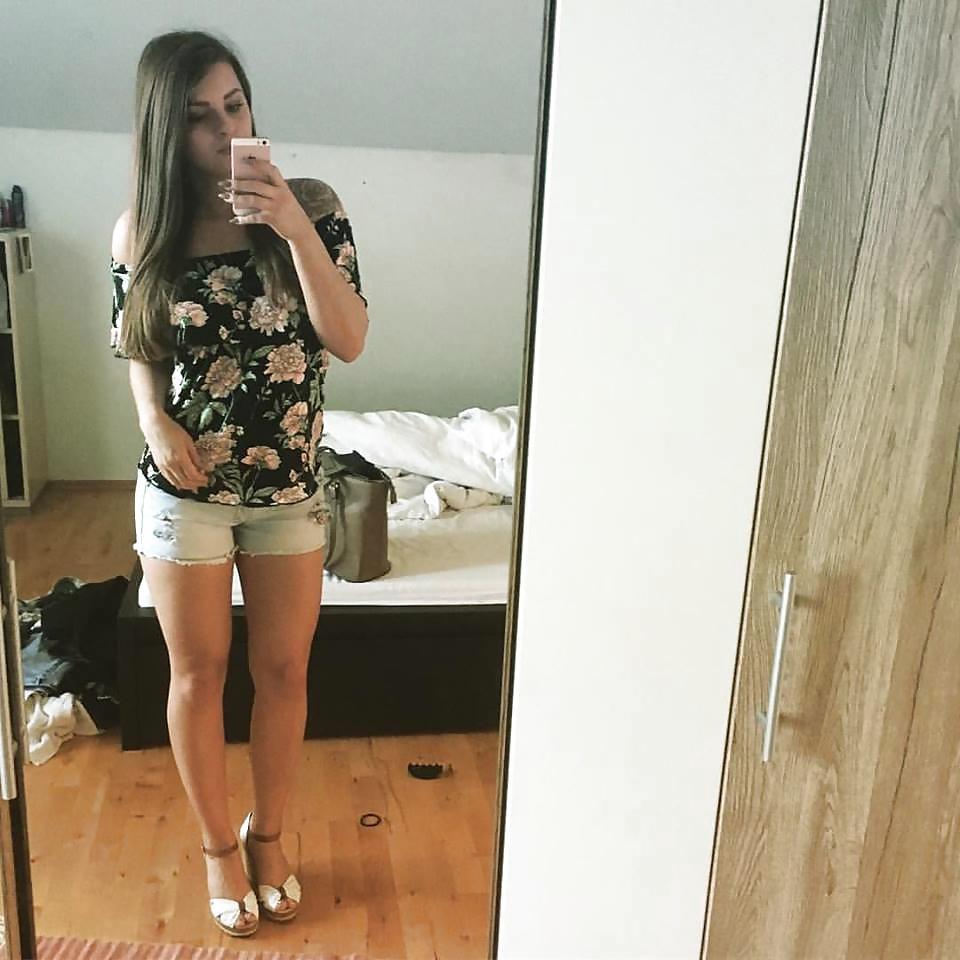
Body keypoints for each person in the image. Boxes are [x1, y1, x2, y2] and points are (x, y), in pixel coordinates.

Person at [109, 30, 368, 937]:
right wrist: (154, 420)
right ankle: (219, 846)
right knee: (199, 672)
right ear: (163, 130)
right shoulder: (143, 229)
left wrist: (291, 225)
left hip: (289, 486)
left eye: (235, 105)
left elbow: (348, 338)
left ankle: (270, 836)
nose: (224, 130)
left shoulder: (315, 207)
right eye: (198, 117)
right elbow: (140, 344)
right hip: (183, 490)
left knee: (285, 669)